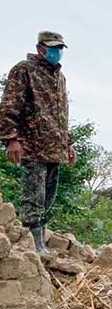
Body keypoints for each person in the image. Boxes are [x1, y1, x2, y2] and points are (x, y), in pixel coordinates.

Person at [0, 31, 76, 254]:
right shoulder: (24, 70)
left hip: (54, 147)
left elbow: (61, 115)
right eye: (53, 48)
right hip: (32, 145)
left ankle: (40, 237)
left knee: (48, 197)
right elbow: (9, 106)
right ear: (39, 48)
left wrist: (68, 144)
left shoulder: (59, 77)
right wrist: (11, 139)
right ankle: (34, 244)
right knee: (34, 196)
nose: (57, 52)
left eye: (59, 48)